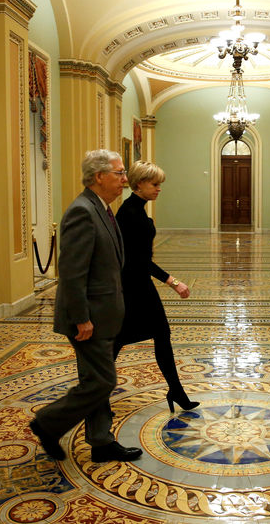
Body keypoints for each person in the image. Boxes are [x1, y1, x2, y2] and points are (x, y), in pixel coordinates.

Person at [29, 149, 142, 463]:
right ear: (99, 177)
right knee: (104, 381)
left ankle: (101, 442)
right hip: (88, 317)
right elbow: (72, 273)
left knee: (94, 381)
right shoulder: (82, 211)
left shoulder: (101, 208)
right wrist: (81, 318)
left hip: (102, 314)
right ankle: (47, 424)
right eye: (119, 173)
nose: (125, 179)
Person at [114, 160, 199, 413]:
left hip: (138, 284)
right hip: (132, 287)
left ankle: (176, 390)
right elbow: (138, 260)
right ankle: (94, 393)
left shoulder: (137, 209)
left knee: (159, 335)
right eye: (155, 184)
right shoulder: (129, 213)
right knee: (118, 340)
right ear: (139, 184)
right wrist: (173, 282)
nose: (159, 189)